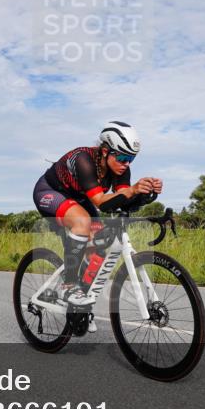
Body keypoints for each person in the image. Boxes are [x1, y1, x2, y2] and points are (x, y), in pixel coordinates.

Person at [33, 121, 163, 329]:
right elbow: (101, 202)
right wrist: (133, 190)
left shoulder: (121, 169)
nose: (126, 164)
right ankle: (68, 286)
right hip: (50, 192)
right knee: (82, 222)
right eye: (122, 158)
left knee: (97, 243)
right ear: (104, 151)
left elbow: (121, 201)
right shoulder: (83, 160)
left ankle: (79, 305)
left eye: (131, 159)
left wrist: (145, 194)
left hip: (79, 198)